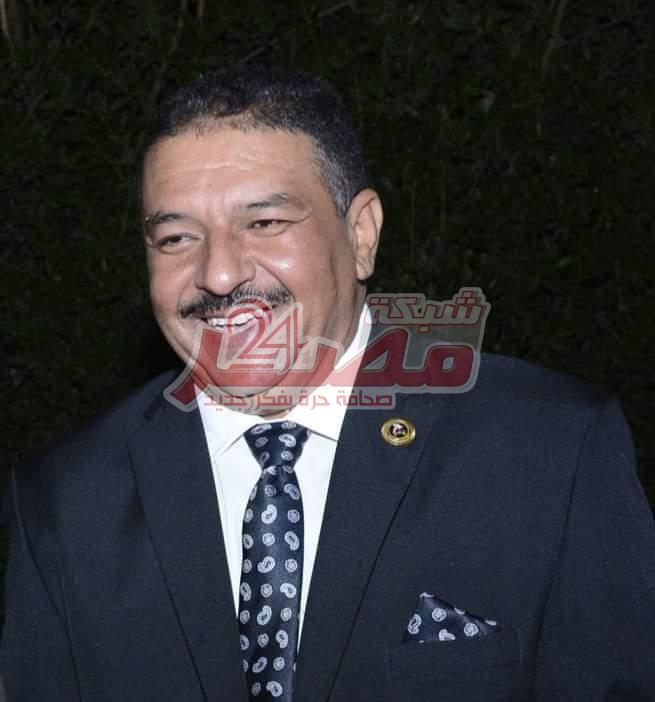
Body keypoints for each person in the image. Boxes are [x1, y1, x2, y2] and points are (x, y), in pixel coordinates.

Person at [2, 66, 654, 702]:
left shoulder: (549, 453)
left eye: (264, 223)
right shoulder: (64, 503)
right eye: (175, 237)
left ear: (360, 234)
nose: (219, 274)